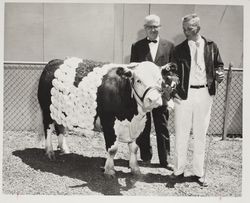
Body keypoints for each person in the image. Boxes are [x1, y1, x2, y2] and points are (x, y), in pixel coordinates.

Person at [171, 13, 224, 186]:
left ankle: (198, 173)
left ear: (198, 28)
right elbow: (173, 71)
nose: (186, 32)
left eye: (190, 28)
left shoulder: (211, 46)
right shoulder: (178, 49)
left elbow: (219, 65)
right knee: (181, 134)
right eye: (184, 29)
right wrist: (173, 84)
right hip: (184, 95)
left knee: (200, 134)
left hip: (204, 94)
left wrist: (219, 73)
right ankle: (178, 171)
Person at [130, 14, 174, 169]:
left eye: (156, 26)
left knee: (162, 126)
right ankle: (146, 157)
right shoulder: (137, 46)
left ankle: (165, 160)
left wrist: (170, 88)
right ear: (145, 29)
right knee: (144, 125)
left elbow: (173, 72)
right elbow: (135, 71)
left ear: (160, 27)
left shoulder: (169, 46)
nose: (153, 30)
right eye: (150, 27)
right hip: (144, 96)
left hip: (161, 95)